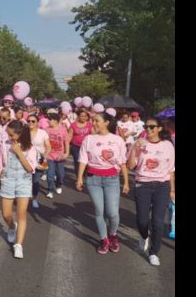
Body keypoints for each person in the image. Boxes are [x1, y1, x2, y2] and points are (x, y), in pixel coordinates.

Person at [75, 112, 130, 254]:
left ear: (106, 122)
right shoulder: (89, 139)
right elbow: (83, 159)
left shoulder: (117, 140)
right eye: (93, 120)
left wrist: (126, 182)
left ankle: (113, 234)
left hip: (112, 179)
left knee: (112, 212)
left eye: (97, 120)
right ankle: (104, 239)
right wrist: (80, 178)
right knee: (99, 211)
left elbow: (123, 162)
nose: (93, 123)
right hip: (93, 179)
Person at [127, 118, 175, 266]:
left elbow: (171, 169)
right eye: (146, 126)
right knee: (142, 221)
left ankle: (154, 252)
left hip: (162, 186)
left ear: (159, 128)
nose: (148, 129)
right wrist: (135, 149)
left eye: (152, 127)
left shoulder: (168, 145)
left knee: (158, 222)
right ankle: (143, 237)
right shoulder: (140, 143)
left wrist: (172, 189)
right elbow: (130, 166)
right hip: (143, 185)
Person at [0, 120, 37, 259]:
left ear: (19, 134)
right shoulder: (5, 145)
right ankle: (12, 227)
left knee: (21, 214)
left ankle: (19, 245)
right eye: (8, 134)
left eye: (11, 135)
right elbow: (0, 164)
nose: (9, 137)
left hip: (24, 182)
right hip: (7, 181)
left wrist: (19, 152)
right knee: (6, 214)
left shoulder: (30, 148)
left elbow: (30, 168)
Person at [27, 113, 51, 208]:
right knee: (26, 179)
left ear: (37, 123)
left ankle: (35, 198)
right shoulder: (24, 132)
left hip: (40, 158)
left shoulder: (43, 133)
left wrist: (44, 155)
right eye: (28, 121)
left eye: (33, 121)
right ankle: (24, 197)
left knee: (36, 180)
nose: (30, 123)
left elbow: (48, 146)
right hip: (27, 159)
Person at [45, 113, 70, 198]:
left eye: (50, 119)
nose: (48, 121)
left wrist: (66, 153)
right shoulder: (46, 130)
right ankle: (50, 190)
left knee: (60, 174)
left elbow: (66, 141)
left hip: (60, 157)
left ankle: (59, 185)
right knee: (50, 175)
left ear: (55, 121)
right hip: (49, 156)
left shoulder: (63, 129)